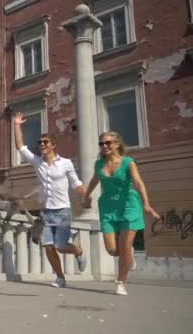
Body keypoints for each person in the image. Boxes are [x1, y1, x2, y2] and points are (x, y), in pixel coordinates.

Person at [13, 112, 87, 288]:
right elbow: (20, 146)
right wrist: (17, 125)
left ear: (53, 145)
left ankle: (78, 250)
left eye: (45, 142)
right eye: (40, 143)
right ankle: (60, 278)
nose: (41, 145)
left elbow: (76, 184)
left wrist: (87, 196)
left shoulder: (66, 163)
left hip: (62, 211)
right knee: (48, 246)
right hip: (46, 211)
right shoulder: (37, 162)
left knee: (61, 246)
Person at [83, 131, 160, 296]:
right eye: (101, 143)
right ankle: (128, 253)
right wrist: (86, 195)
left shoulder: (127, 163)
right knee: (112, 250)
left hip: (128, 207)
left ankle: (120, 282)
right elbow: (95, 180)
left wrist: (146, 204)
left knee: (124, 248)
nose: (105, 146)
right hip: (108, 207)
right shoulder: (99, 164)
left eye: (108, 143)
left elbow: (138, 183)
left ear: (117, 144)